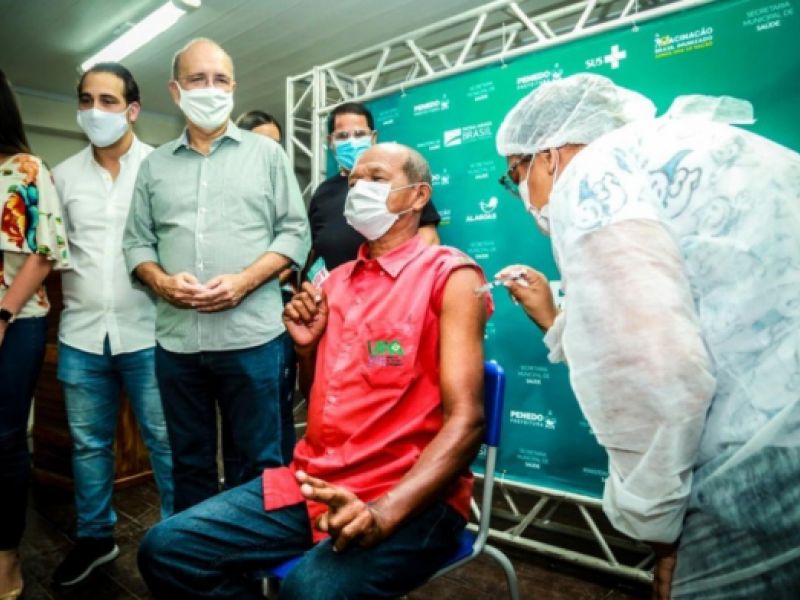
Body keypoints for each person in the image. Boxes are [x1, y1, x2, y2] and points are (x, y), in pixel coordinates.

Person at [137, 142, 492, 600]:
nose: (359, 189)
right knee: (166, 549)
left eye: (376, 178)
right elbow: (323, 401)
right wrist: (306, 352)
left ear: (418, 196)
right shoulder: (335, 283)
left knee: (309, 591)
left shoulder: (451, 275)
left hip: (409, 493)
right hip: (314, 481)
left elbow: (467, 422)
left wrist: (382, 513)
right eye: (354, 181)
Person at [494, 73, 800, 599]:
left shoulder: (590, 177)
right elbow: (700, 306)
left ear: (547, 155)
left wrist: (658, 526)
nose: (522, 195)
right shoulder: (682, 146)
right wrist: (560, 320)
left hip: (772, 452)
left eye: (515, 175)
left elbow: (650, 368)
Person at [122, 38, 311, 512]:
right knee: (189, 464)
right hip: (178, 344)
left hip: (253, 340)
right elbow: (136, 243)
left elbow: (295, 232)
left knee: (259, 463)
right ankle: (199, 555)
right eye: (197, 79)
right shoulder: (154, 165)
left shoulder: (268, 156)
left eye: (220, 80)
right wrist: (161, 281)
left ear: (233, 87)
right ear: (175, 90)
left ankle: (255, 555)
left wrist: (245, 280)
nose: (210, 89)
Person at [50, 63, 174, 587]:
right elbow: (51, 252)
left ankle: (179, 542)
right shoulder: (62, 176)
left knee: (167, 442)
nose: (94, 110)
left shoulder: (162, 167)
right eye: (86, 100)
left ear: (132, 109)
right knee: (88, 445)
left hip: (150, 331)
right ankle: (96, 538)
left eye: (107, 100)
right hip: (81, 333)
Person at [0, 68, 71, 600]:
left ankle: (6, 555)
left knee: (4, 440)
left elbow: (45, 252)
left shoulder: (25, 169)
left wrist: (2, 315)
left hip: (14, 320)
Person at [233, 109, 296, 470]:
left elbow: (295, 251)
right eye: (263, 143)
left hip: (275, 319)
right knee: (238, 417)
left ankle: (280, 487)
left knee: (276, 411)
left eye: (277, 144)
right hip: (228, 325)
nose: (273, 151)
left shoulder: (283, 192)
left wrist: (252, 280)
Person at [308, 102, 440, 272]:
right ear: (331, 141)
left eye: (359, 134)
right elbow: (312, 250)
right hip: (335, 286)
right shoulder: (322, 193)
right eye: (342, 136)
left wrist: (398, 279)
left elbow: (428, 238)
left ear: (373, 137)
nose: (352, 142)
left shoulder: (401, 182)